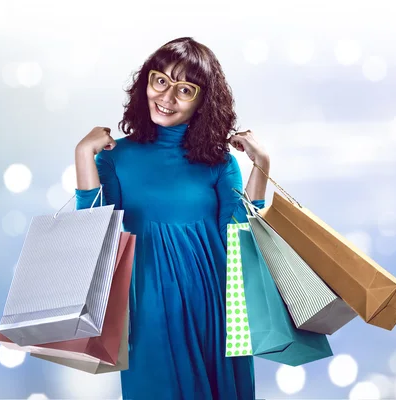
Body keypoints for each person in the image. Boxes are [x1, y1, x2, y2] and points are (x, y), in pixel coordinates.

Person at [74, 37, 271, 400]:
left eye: (184, 89)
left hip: (217, 308)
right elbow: (90, 235)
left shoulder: (219, 162)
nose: (166, 97)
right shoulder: (116, 158)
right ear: (145, 82)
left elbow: (243, 239)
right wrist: (83, 154)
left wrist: (261, 166)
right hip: (149, 309)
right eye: (159, 81)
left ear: (203, 102)